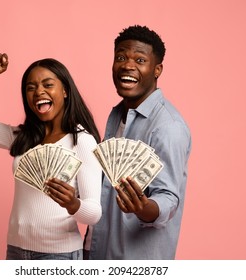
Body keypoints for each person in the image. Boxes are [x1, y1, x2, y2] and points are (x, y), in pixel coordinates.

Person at [0, 53, 102, 260]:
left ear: (65, 91)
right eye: (31, 87)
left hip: (58, 255)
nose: (39, 92)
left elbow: (94, 213)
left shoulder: (81, 141)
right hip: (16, 249)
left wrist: (72, 204)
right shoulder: (24, 137)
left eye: (48, 85)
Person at [84, 25, 192, 259]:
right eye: (121, 57)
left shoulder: (168, 127)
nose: (128, 65)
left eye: (140, 59)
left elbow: (168, 199)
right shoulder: (117, 115)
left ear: (157, 69)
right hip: (96, 252)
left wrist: (143, 208)